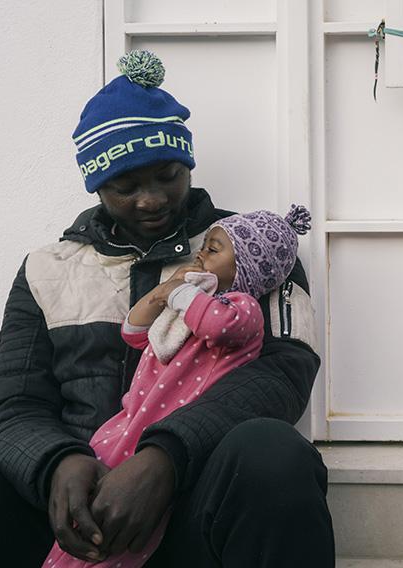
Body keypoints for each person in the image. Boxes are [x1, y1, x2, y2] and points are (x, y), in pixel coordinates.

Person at [0, 50, 334, 567]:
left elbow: (284, 374)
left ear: (188, 165)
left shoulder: (251, 249)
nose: (150, 200)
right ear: (96, 184)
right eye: (125, 187)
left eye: (168, 176)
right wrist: (58, 465)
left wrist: (166, 458)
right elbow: (12, 409)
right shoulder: (47, 269)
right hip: (70, 527)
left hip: (196, 510)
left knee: (275, 453)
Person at [43, 205, 312, 568]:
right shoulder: (185, 309)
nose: (201, 253)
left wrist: (182, 296)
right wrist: (161, 294)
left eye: (214, 249)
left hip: (168, 429)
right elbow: (134, 333)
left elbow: (218, 326)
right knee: (94, 503)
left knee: (123, 525)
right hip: (132, 419)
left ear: (248, 266)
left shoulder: (241, 307)